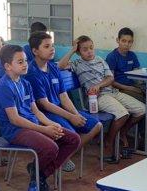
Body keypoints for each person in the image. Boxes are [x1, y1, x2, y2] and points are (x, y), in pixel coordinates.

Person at [0, 45, 80, 191]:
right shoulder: (4, 87)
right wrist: (44, 129)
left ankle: (40, 174)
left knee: (73, 139)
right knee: (51, 147)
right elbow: (14, 120)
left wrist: (53, 125)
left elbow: (37, 112)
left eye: (26, 60)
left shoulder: (25, 83)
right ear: (7, 66)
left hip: (33, 124)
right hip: (16, 130)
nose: (25, 64)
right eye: (20, 62)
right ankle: (38, 176)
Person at [60, 35, 144, 162]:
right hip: (96, 98)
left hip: (112, 92)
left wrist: (99, 85)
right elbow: (60, 66)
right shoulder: (77, 64)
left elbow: (111, 78)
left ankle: (122, 132)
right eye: (85, 49)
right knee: (122, 114)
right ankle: (109, 142)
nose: (89, 51)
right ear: (78, 52)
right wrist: (72, 50)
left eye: (91, 48)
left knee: (142, 109)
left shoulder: (100, 60)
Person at [25, 31, 101, 173]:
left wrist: (75, 114)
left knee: (96, 125)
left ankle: (62, 157)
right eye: (47, 46)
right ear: (35, 51)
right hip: (45, 113)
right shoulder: (32, 72)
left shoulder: (53, 67)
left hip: (60, 109)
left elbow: (64, 96)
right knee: (72, 135)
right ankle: (56, 161)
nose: (52, 49)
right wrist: (71, 117)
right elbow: (44, 104)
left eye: (52, 45)